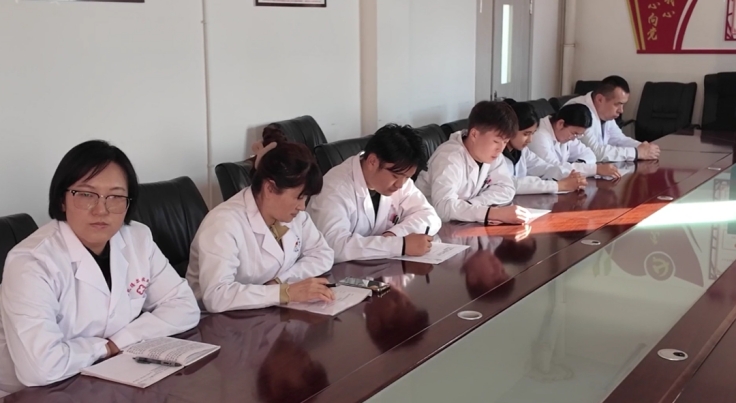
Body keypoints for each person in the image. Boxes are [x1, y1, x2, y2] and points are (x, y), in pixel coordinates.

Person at [0, 140, 200, 392]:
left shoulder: (138, 238)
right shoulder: (31, 262)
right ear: (62, 200)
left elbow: (185, 307)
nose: (101, 210)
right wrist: (106, 347)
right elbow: (42, 368)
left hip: (111, 374)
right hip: (37, 393)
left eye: (115, 196)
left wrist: (118, 342)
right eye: (86, 195)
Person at [187, 131, 335, 314]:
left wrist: (280, 282)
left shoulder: (293, 215)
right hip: (218, 321)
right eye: (299, 197)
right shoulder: (223, 224)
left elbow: (323, 254)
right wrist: (284, 292)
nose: (302, 207)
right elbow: (217, 296)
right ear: (270, 188)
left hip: (266, 312)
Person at [306, 124, 441, 264]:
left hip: (375, 268)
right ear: (372, 161)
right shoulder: (334, 189)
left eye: (407, 177)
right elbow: (334, 246)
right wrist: (399, 245)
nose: (400, 185)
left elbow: (430, 216)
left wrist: (394, 235)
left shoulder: (399, 177)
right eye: (395, 176)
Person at [415, 101, 530, 225]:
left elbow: (507, 188)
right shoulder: (449, 157)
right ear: (474, 134)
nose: (501, 148)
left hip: (460, 224)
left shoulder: (491, 154)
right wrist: (492, 213)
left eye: (505, 142)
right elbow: (444, 207)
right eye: (496, 141)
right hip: (427, 225)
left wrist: (474, 204)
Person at [565, 75, 660, 162]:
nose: (621, 110)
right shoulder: (578, 111)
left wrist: (642, 147)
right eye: (617, 104)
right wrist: (636, 152)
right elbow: (595, 152)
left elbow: (618, 139)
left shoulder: (604, 112)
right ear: (600, 99)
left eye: (623, 105)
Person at [502, 99, 587, 194]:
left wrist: (570, 176)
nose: (530, 140)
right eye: (526, 134)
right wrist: (559, 185)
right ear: (510, 129)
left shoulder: (522, 151)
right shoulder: (496, 154)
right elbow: (511, 183)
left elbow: (544, 168)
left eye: (532, 133)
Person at [528, 104, 622, 179]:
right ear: (561, 124)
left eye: (578, 135)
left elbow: (589, 155)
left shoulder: (565, 133)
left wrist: (579, 165)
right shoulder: (538, 135)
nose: (574, 139)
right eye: (574, 133)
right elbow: (555, 169)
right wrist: (595, 169)